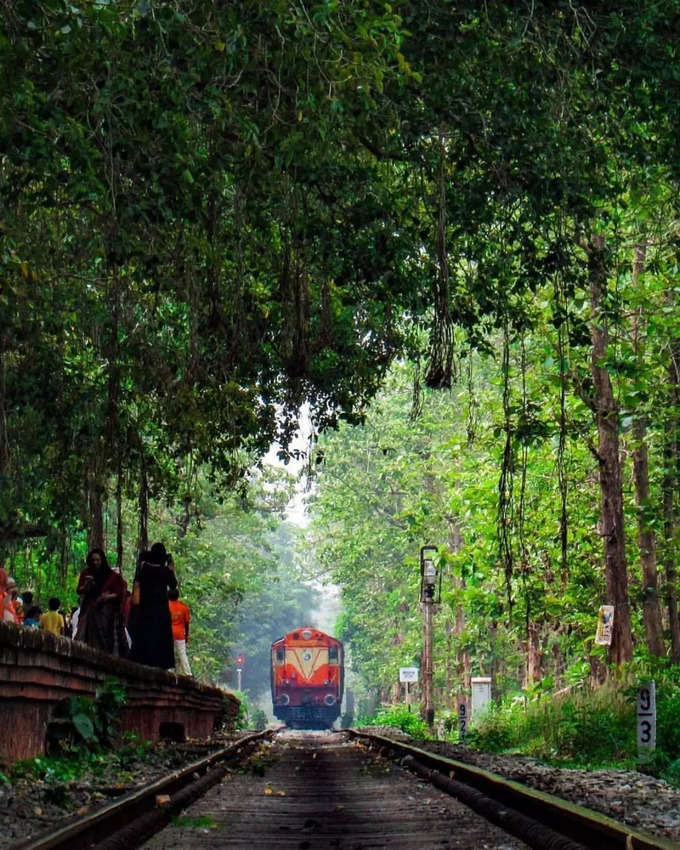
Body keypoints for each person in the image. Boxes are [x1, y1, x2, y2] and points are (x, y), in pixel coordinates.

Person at [129, 543, 176, 669]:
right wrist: (171, 568)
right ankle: (160, 663)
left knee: (145, 632)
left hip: (145, 607)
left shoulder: (144, 569)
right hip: (160, 608)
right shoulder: (165, 571)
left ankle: (142, 660)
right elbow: (173, 585)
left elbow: (137, 583)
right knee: (160, 635)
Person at [75, 548, 125, 654]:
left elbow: (119, 593)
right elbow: (79, 590)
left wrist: (107, 597)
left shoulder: (112, 576)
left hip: (104, 613)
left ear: (102, 560)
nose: (95, 563)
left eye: (98, 560)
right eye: (93, 560)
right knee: (83, 635)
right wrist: (86, 585)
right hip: (88, 610)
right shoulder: (86, 573)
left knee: (103, 639)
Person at [168, 588, 192, 676]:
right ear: (178, 596)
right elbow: (187, 623)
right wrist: (187, 636)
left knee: (169, 653)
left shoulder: (165, 606)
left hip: (169, 634)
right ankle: (188, 673)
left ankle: (169, 672)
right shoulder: (183, 607)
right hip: (180, 634)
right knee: (182, 654)